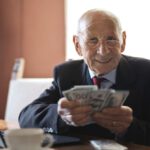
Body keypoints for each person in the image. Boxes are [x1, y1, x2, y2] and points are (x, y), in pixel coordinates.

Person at [19, 9, 150, 146]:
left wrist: (131, 127)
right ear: (77, 45)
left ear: (123, 41)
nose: (103, 51)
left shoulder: (146, 72)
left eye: (111, 39)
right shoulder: (67, 74)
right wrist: (62, 116)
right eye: (93, 41)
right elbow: (26, 117)